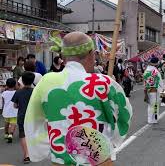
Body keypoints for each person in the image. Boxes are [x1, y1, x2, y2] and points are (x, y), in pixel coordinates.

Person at [23, 32, 132, 165]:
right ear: (91, 53)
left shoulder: (46, 81)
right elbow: (124, 113)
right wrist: (112, 138)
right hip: (98, 159)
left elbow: (32, 119)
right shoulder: (103, 82)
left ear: (63, 55)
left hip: (61, 159)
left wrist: (48, 146)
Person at [12, 72, 35, 164]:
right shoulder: (35, 91)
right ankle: (34, 152)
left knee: (23, 135)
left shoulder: (18, 92)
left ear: (22, 81)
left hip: (22, 115)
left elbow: (15, 105)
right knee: (32, 134)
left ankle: (27, 155)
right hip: (33, 116)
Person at [144, 57, 162, 124]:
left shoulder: (146, 70)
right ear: (156, 63)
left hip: (148, 89)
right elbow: (160, 82)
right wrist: (161, 89)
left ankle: (149, 119)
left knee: (150, 105)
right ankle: (154, 119)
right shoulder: (155, 71)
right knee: (155, 105)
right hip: (155, 90)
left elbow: (145, 81)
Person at [2, 78, 17, 143]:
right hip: (14, 111)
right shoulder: (17, 93)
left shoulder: (4, 93)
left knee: (6, 123)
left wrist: (2, 108)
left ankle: (6, 134)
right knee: (13, 123)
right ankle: (11, 134)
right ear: (15, 85)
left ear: (6, 85)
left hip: (6, 111)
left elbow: (3, 102)